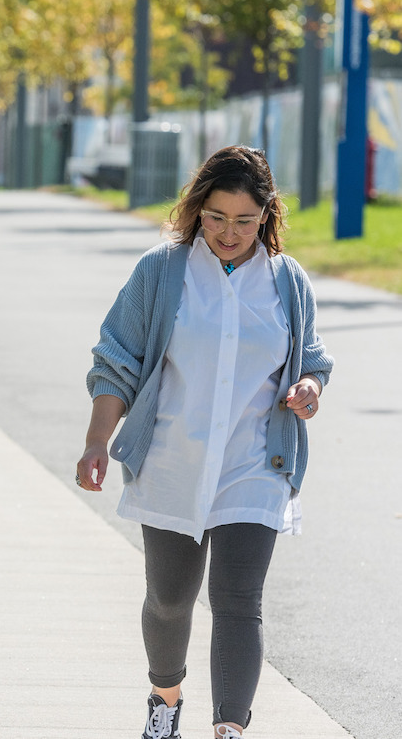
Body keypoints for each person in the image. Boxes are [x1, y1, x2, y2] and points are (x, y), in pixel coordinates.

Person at [75, 146, 334, 739]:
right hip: (172, 459)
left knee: (238, 600)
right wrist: (96, 442)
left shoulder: (288, 282)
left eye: (245, 220)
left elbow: (312, 361)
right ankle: (165, 699)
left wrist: (308, 387)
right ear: (198, 208)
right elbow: (116, 361)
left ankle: (229, 729)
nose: (229, 232)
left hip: (254, 464)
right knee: (170, 599)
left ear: (266, 217)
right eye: (216, 217)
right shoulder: (162, 272)